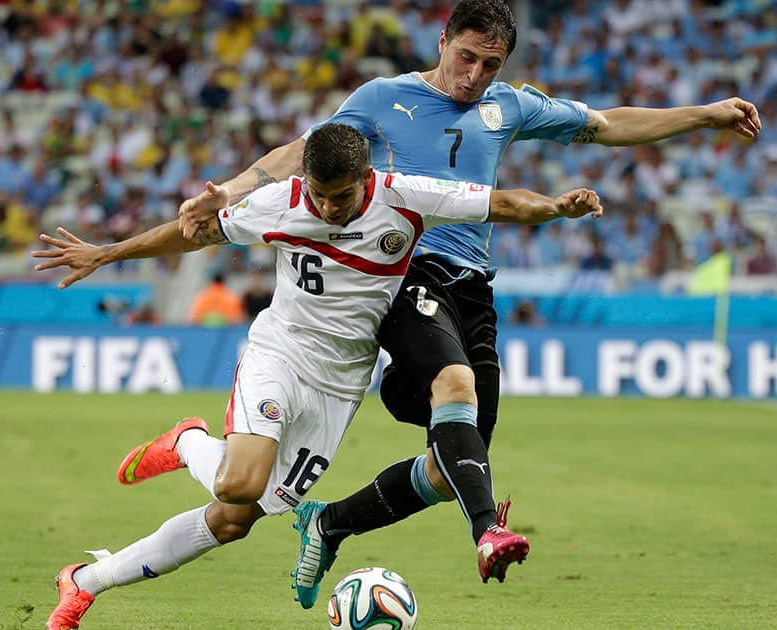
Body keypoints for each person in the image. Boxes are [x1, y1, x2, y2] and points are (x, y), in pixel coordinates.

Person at [176, 0, 762, 607]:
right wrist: (233, 188)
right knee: (455, 386)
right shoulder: (383, 97)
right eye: (467, 57)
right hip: (407, 272)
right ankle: (488, 531)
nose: (475, 74)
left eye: (490, 63)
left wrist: (705, 116)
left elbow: (607, 125)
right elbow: (305, 151)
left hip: (473, 289)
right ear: (442, 42)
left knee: (455, 461)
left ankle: (330, 523)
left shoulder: (509, 105)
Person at [34, 123, 603, 629]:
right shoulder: (279, 202)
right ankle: (188, 443)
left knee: (235, 521)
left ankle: (85, 582)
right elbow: (193, 235)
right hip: (280, 354)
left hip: (339, 384)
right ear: (306, 179)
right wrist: (108, 253)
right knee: (240, 485)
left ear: (366, 179)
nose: (329, 208)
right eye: (321, 196)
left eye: (342, 197)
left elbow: (503, 202)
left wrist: (556, 207)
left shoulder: (407, 196)